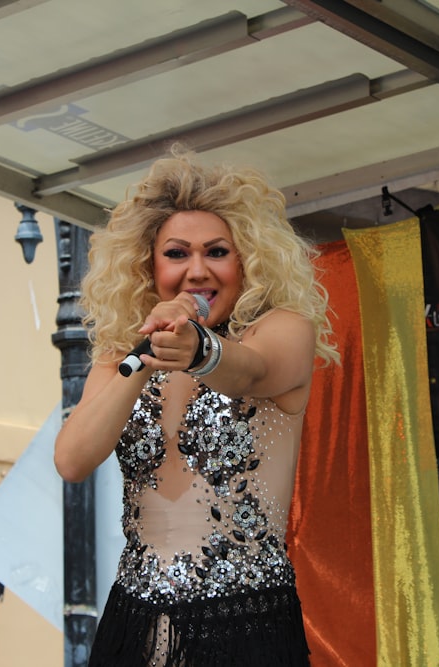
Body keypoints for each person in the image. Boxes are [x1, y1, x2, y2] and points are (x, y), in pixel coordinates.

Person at [54, 145, 338, 667]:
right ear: (149, 265)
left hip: (243, 621)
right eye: (178, 253)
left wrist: (198, 348)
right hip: (134, 620)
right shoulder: (126, 355)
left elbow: (250, 370)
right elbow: (72, 460)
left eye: (217, 252)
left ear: (247, 259)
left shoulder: (281, 330)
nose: (198, 270)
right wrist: (143, 357)